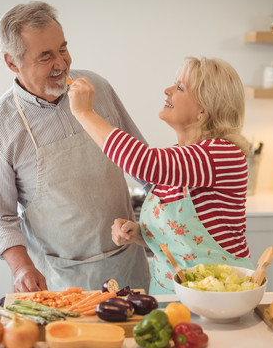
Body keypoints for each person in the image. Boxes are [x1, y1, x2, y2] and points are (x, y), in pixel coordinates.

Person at [0, 1, 151, 293]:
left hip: (126, 267)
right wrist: (22, 268)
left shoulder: (97, 88)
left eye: (63, 49)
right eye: (45, 57)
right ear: (11, 62)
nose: (61, 63)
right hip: (59, 280)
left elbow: (145, 167)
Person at [68, 56, 254, 294]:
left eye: (179, 87)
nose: (167, 91)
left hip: (222, 298)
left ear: (203, 109)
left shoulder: (221, 154)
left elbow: (142, 162)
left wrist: (85, 113)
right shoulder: (181, 158)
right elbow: (185, 245)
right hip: (170, 298)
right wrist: (141, 234)